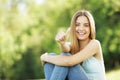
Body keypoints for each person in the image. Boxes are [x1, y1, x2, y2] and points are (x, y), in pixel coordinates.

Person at [40, 10, 106, 80]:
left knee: (64, 58)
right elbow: (66, 49)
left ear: (91, 28)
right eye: (77, 25)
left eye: (86, 25)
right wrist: (62, 43)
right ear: (73, 27)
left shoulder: (95, 44)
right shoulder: (72, 46)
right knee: (52, 56)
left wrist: (45, 58)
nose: (81, 28)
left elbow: (69, 61)